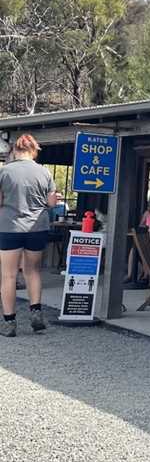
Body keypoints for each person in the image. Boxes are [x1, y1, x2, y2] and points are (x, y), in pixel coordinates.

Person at [0, 134, 61, 337]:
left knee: (8, 275)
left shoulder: (4, 172)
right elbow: (52, 203)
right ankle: (36, 312)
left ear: (14, 150)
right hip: (37, 228)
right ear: (33, 150)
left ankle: (9, 323)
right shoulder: (44, 172)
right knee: (33, 271)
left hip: (9, 227)